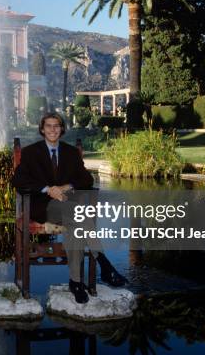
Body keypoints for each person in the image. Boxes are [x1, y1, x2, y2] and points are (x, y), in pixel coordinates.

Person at [12, 112, 127, 304]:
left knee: (77, 226)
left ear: (62, 129)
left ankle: (76, 282)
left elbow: (86, 179)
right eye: (48, 126)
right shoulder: (31, 152)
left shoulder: (71, 152)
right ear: (42, 129)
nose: (52, 129)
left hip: (70, 209)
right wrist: (48, 190)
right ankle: (105, 265)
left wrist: (67, 186)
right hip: (43, 207)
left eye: (56, 126)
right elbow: (18, 180)